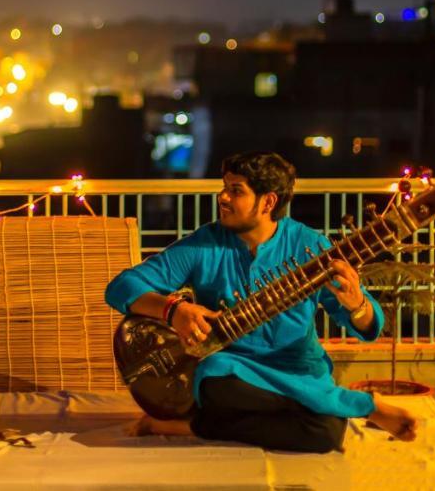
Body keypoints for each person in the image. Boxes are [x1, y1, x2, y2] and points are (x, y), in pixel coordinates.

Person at [104, 151, 417, 453]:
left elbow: (369, 327)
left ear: (268, 201)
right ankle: (349, 405)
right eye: (224, 187)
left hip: (297, 369)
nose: (222, 197)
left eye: (235, 190)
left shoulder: (310, 246)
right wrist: (174, 310)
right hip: (235, 372)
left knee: (325, 433)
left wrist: (357, 303)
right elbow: (121, 287)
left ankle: (187, 426)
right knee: (214, 380)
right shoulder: (204, 244)